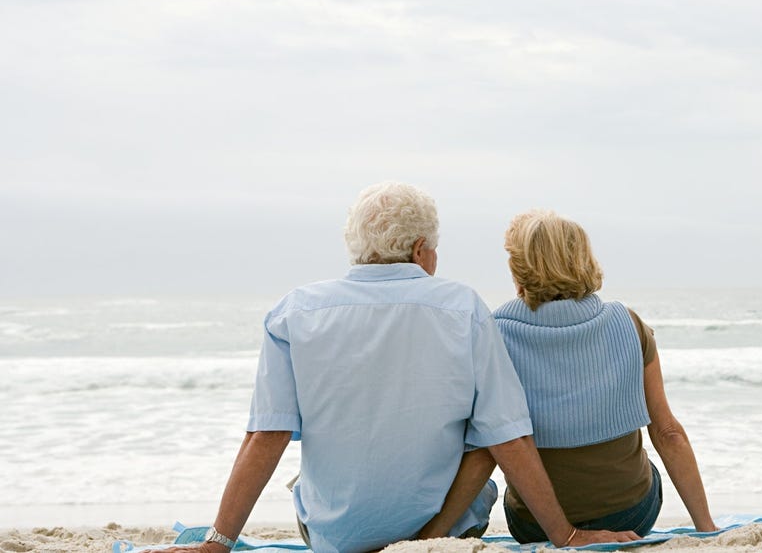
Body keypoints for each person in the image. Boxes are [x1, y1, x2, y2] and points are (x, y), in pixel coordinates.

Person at [158, 184, 637, 553]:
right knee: (480, 472)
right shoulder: (463, 308)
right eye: (434, 249)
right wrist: (564, 535)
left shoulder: (295, 312)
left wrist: (218, 540)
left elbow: (267, 435)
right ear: (419, 248)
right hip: (441, 533)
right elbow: (506, 435)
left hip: (334, 536)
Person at [493, 209, 719, 542]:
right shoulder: (627, 323)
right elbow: (667, 431)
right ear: (582, 259)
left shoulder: (495, 334)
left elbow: (493, 442)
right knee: (646, 470)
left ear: (519, 268)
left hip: (535, 524)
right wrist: (707, 530)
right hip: (631, 515)